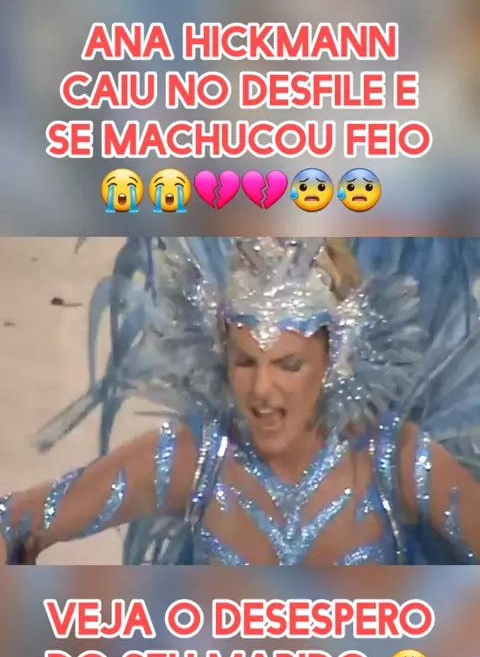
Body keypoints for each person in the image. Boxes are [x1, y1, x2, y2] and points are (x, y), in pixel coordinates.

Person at [1, 236, 479, 566]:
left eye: (289, 365)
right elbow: (18, 519)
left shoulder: (392, 461)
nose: (261, 390)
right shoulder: (196, 458)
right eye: (246, 361)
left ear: (336, 361)